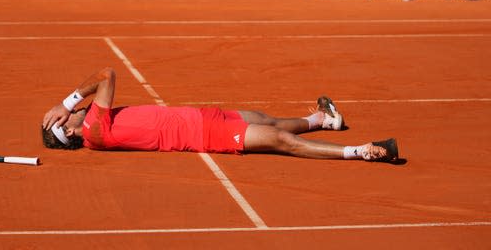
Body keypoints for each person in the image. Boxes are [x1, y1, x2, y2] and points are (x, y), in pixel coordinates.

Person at [41, 68, 399, 162]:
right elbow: (107, 74)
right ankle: (362, 151)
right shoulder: (93, 129)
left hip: (200, 118)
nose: (69, 114)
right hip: (203, 137)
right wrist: (67, 102)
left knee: (265, 119)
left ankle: (323, 120)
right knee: (280, 142)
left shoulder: (92, 127)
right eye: (63, 119)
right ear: (68, 132)